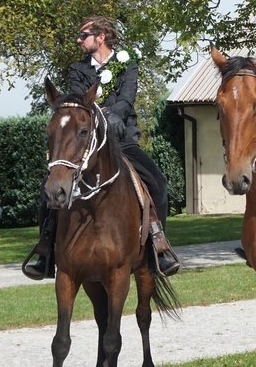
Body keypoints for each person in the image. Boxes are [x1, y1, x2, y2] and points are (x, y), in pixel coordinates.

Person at [25, 16, 180, 277]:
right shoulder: (77, 69)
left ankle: (158, 249)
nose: (78, 40)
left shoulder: (127, 64)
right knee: (47, 188)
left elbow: (127, 99)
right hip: (88, 141)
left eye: (83, 35)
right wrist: (100, 115)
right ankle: (45, 252)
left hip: (122, 139)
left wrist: (114, 114)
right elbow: (78, 103)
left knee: (159, 184)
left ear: (100, 37)